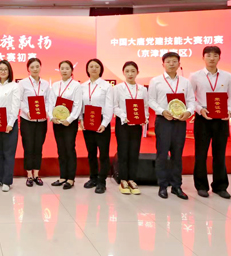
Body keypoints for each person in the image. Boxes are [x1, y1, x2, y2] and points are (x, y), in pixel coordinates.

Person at [190, 46, 231, 199]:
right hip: (203, 118)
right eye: (208, 55)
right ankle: (201, 186)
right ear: (203, 57)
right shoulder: (195, 76)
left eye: (215, 55)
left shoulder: (227, 76)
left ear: (219, 58)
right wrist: (199, 109)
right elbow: (190, 97)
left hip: (221, 119)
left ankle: (220, 186)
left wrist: (228, 110)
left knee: (220, 154)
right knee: (201, 153)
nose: (212, 58)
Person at [148, 52, 195, 200]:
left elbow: (191, 101)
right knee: (162, 154)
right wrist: (162, 111)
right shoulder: (156, 81)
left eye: (174, 61)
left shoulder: (185, 82)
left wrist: (188, 112)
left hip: (180, 122)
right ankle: (162, 186)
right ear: (163, 64)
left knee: (177, 154)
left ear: (179, 64)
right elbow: (151, 100)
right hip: (163, 121)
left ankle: (176, 186)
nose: (171, 64)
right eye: (168, 61)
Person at [112, 61, 148, 195]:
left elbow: (145, 106)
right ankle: (123, 180)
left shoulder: (142, 89)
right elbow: (114, 106)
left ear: (137, 72)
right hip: (123, 124)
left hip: (137, 125)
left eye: (133, 71)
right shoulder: (118, 88)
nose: (130, 74)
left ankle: (132, 179)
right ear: (123, 73)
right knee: (123, 151)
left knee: (134, 151)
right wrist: (124, 116)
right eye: (127, 71)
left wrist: (145, 118)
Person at [47, 60, 83, 190]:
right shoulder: (55, 85)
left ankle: (71, 178)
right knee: (61, 149)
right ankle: (62, 176)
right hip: (57, 122)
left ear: (71, 70)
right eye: (62, 68)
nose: (64, 70)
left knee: (69, 148)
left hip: (69, 123)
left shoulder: (76, 85)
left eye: (67, 68)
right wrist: (52, 117)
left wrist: (70, 119)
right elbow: (50, 102)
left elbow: (78, 104)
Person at [81, 59, 115, 194]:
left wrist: (104, 123)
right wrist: (80, 119)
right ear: (87, 69)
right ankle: (93, 178)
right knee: (91, 152)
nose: (94, 68)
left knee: (103, 153)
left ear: (101, 69)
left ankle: (102, 181)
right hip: (87, 120)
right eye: (91, 66)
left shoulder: (107, 86)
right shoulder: (82, 86)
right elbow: (80, 105)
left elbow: (109, 106)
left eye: (97, 66)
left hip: (101, 121)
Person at [0, 60, 21, 192]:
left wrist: (10, 123)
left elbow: (15, 105)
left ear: (9, 71)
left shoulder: (14, 86)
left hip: (9, 123)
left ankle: (7, 181)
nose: (3, 71)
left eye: (5, 69)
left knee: (8, 152)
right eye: (0, 69)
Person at [18, 57, 52, 187]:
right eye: (32, 67)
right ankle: (29, 175)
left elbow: (48, 101)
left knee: (38, 146)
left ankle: (37, 174)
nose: (35, 69)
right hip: (27, 120)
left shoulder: (45, 84)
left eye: (37, 66)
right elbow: (19, 100)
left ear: (40, 67)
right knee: (28, 146)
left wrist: (47, 112)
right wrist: (27, 111)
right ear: (28, 69)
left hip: (41, 120)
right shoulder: (23, 83)